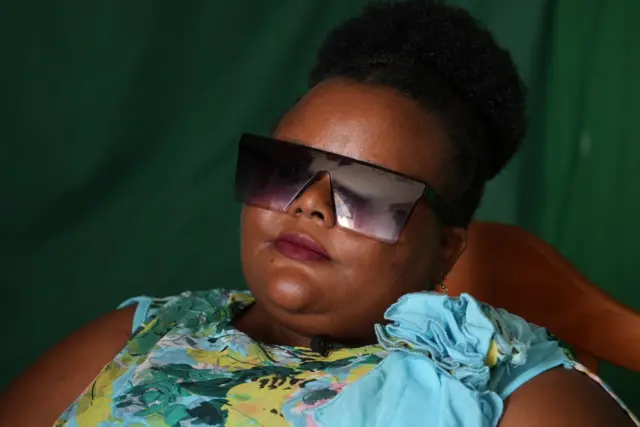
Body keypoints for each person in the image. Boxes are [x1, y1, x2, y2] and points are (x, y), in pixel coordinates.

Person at [1, 1, 637, 426]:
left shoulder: (508, 392)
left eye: (365, 189)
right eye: (286, 169)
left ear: (446, 248)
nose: (309, 203)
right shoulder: (141, 333)